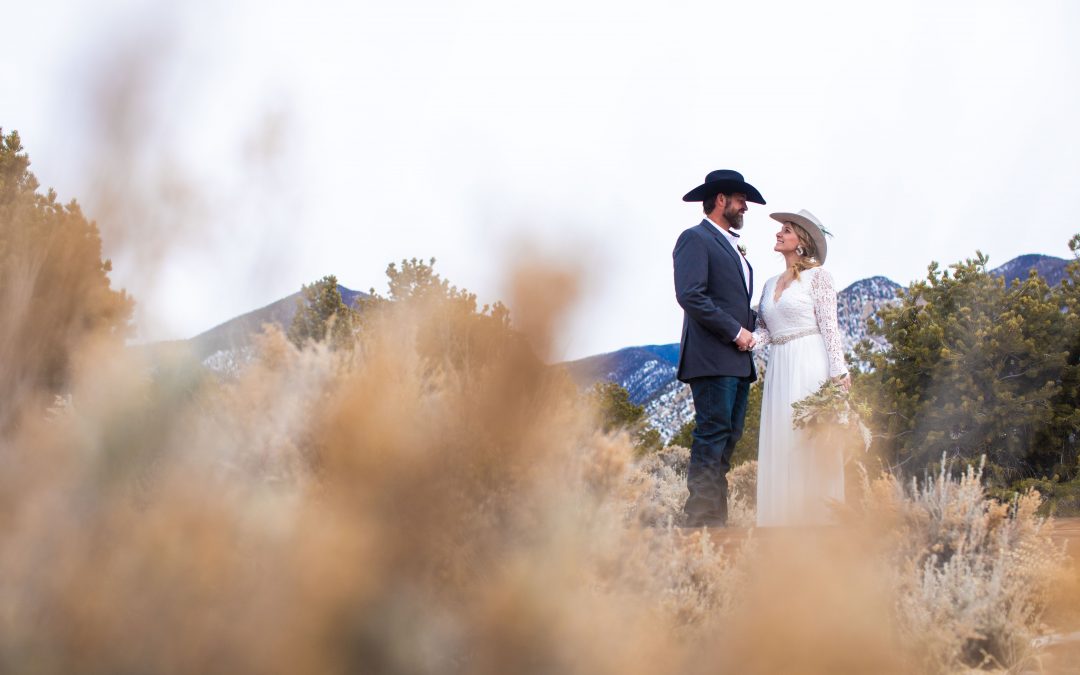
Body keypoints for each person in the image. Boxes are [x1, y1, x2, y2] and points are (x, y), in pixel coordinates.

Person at [674, 169, 765, 527]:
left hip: (738, 362)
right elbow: (690, 294)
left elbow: (735, 302)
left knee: (727, 443)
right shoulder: (694, 239)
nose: (746, 206)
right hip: (712, 358)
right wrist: (735, 332)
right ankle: (699, 523)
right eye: (741, 199)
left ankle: (718, 527)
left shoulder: (732, 246)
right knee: (711, 438)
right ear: (721, 200)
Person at [748, 209, 850, 527]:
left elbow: (830, 327)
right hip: (779, 366)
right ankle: (779, 524)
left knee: (807, 440)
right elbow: (767, 330)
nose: (779, 234)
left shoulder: (819, 277)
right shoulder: (768, 284)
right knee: (782, 440)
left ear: (801, 241)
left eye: (787, 230)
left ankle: (818, 524)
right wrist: (748, 339)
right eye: (780, 229)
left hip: (810, 363)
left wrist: (839, 373)